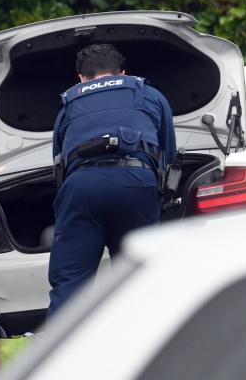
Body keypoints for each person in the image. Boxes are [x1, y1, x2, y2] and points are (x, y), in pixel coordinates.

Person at [47, 43, 175, 318]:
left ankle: (66, 345)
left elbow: (59, 162)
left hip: (82, 186)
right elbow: (168, 154)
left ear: (81, 78)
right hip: (137, 182)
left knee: (70, 283)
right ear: (122, 72)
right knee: (139, 278)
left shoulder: (69, 105)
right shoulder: (148, 94)